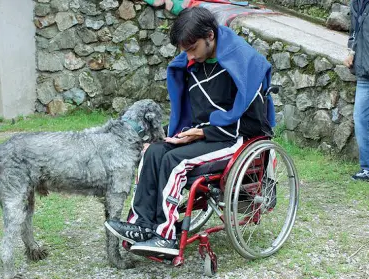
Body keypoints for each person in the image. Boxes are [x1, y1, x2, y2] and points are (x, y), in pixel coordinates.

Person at [104, 6, 275, 258]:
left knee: (174, 160)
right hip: (203, 133)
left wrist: (204, 133)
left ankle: (165, 237)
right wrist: (189, 132)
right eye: (185, 51)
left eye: (192, 48)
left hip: (235, 138)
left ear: (210, 36)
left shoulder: (244, 62)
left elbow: (254, 123)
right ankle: (142, 225)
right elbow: (193, 113)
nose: (189, 57)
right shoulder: (194, 61)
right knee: (154, 151)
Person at [344, 0, 369, 181]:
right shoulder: (356, 3)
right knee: (360, 119)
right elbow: (354, 31)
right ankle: (367, 168)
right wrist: (351, 52)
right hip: (364, 73)